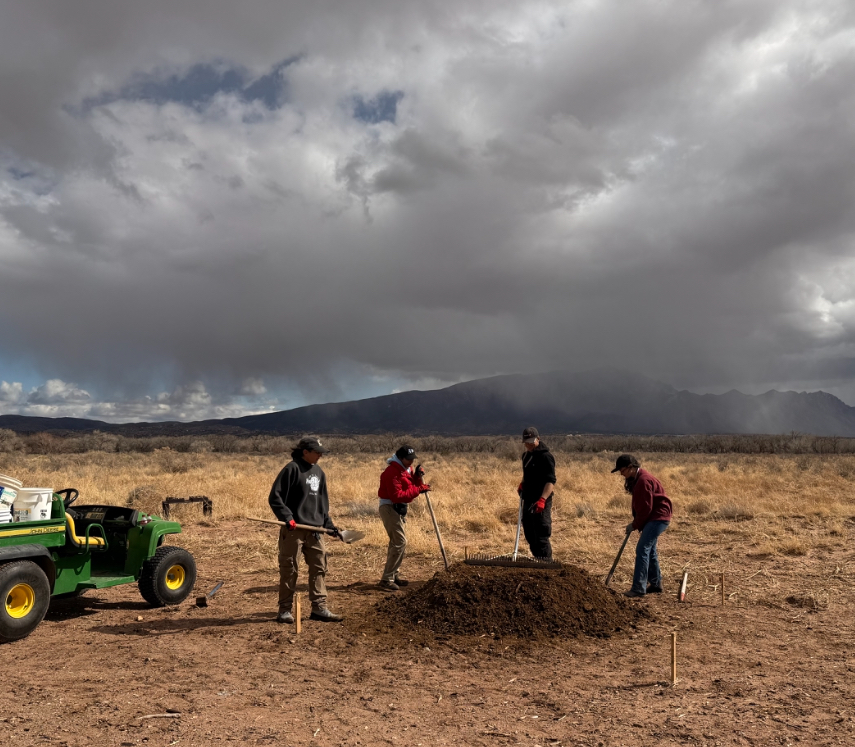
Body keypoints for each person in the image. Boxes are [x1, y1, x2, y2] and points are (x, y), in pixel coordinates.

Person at [268, 436, 343, 623]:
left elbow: (322, 505)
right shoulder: (291, 469)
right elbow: (275, 497)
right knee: (289, 568)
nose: (320, 455)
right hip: (295, 530)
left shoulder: (319, 472)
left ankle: (319, 608)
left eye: (321, 453)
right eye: (317, 452)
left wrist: (329, 525)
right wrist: (287, 517)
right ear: (305, 452)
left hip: (316, 530)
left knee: (319, 567)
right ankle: (284, 610)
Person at [611, 454, 673, 598]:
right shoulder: (638, 478)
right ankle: (656, 584)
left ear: (631, 467)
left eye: (623, 470)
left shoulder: (643, 481)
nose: (621, 473)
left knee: (642, 549)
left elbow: (645, 510)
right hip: (655, 517)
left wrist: (634, 525)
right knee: (650, 549)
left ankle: (638, 587)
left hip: (658, 517)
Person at [377, 444, 431, 592]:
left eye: (412, 459)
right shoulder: (391, 473)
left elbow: (412, 486)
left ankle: (393, 576)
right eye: (408, 459)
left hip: (399, 509)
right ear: (400, 458)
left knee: (397, 543)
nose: (411, 462)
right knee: (400, 542)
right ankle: (386, 580)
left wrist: (417, 478)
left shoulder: (406, 469)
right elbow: (398, 496)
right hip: (389, 508)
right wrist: (419, 489)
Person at [518, 427, 556, 560]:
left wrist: (543, 499)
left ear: (538, 439)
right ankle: (538, 562)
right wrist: (523, 484)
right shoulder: (525, 456)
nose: (528, 444)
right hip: (528, 498)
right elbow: (527, 475)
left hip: (541, 500)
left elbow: (550, 481)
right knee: (529, 532)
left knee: (541, 533)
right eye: (526, 441)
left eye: (531, 441)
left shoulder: (546, 457)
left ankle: (547, 564)